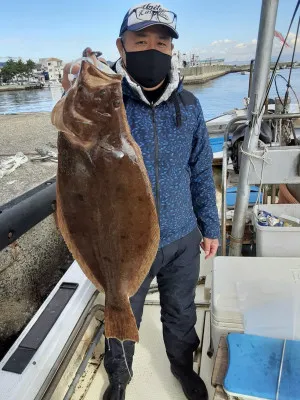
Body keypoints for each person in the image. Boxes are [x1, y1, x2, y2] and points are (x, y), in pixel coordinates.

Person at [62, 3, 220, 400]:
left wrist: (211, 227)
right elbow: (74, 156)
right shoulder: (108, 103)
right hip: (122, 243)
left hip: (183, 235)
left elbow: (201, 171)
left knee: (182, 312)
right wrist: (75, 92)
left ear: (171, 50)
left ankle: (182, 365)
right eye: (141, 40)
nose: (153, 48)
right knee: (121, 307)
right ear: (122, 45)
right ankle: (119, 376)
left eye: (161, 42)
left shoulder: (190, 105)